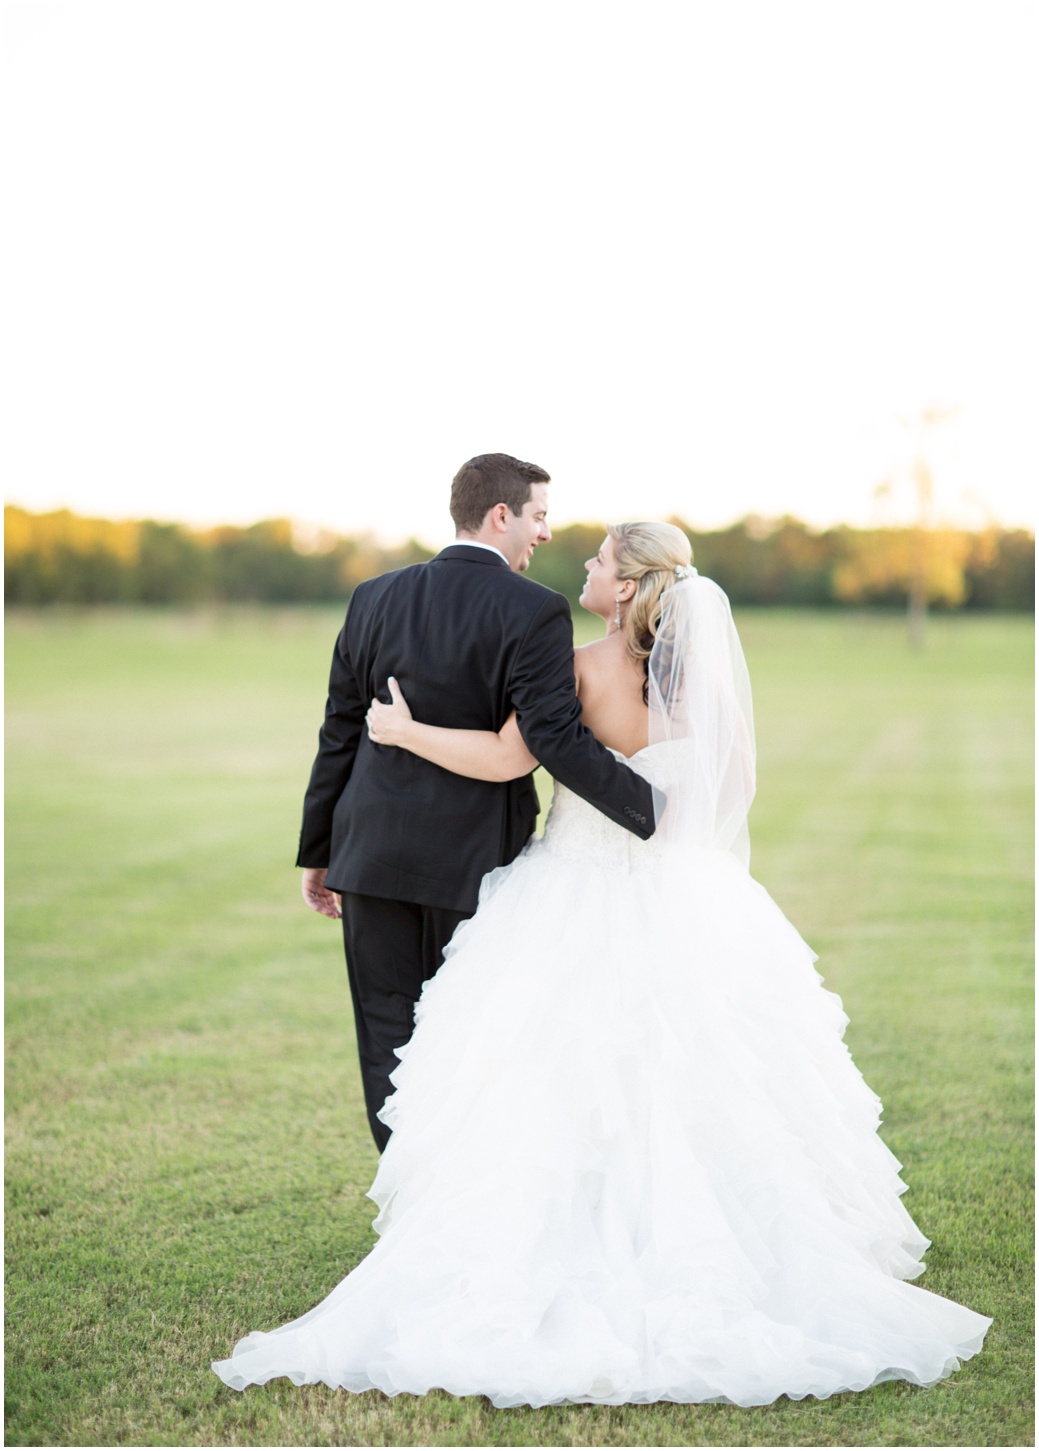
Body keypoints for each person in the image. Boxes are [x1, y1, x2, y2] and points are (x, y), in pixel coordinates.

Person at [214, 521, 990, 1406]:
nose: (581, 566)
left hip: (571, 891)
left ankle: (532, 1240)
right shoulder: (703, 680)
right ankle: (732, 1242)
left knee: (547, 1077)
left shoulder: (576, 665)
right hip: (686, 897)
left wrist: (399, 728)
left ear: (624, 588)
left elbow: (512, 754)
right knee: (705, 1077)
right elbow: (725, 789)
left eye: (597, 560)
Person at [294, 453, 657, 1150]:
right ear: (501, 515)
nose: (545, 534)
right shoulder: (536, 610)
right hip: (475, 866)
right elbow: (552, 736)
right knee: (470, 1040)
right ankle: (447, 1194)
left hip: (367, 855)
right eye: (539, 515)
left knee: (385, 1033)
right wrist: (652, 809)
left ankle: (411, 1201)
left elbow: (339, 727)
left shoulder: (372, 595)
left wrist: (320, 848)